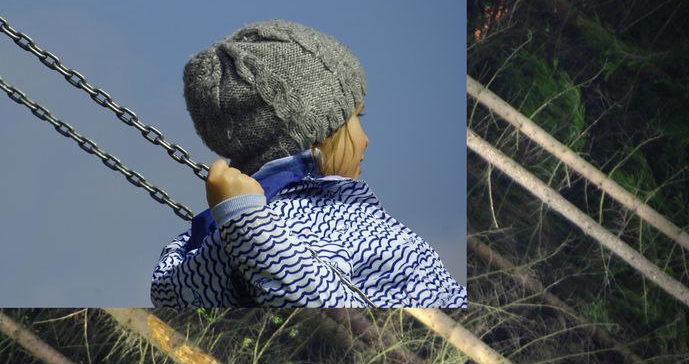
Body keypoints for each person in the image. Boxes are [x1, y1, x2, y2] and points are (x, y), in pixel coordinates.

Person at [151, 20, 466, 308]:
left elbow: (177, 288)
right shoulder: (306, 222)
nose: (366, 139)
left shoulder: (224, 234)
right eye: (357, 118)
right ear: (315, 135)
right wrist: (246, 222)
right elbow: (322, 303)